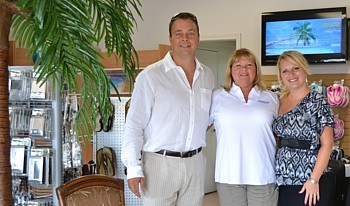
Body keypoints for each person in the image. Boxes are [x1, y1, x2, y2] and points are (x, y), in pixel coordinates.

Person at [121, 12, 215, 206]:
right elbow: (134, 124)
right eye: (179, 33)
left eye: (191, 33)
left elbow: (204, 118)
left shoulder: (207, 75)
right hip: (159, 164)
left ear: (198, 37)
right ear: (170, 38)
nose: (185, 39)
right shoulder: (151, 76)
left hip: (195, 163)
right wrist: (133, 168)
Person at [209, 48, 279, 206]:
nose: (243, 70)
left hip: (263, 176)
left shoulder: (271, 98)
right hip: (229, 177)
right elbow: (197, 128)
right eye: (238, 65)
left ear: (256, 70)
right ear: (230, 70)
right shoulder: (217, 97)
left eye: (249, 65)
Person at [273, 50, 334, 206]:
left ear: (304, 69)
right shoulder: (279, 100)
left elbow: (327, 145)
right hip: (281, 178)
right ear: (281, 76)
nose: (291, 74)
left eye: (296, 68)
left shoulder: (318, 102)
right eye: (285, 71)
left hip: (308, 179)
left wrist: (313, 179)